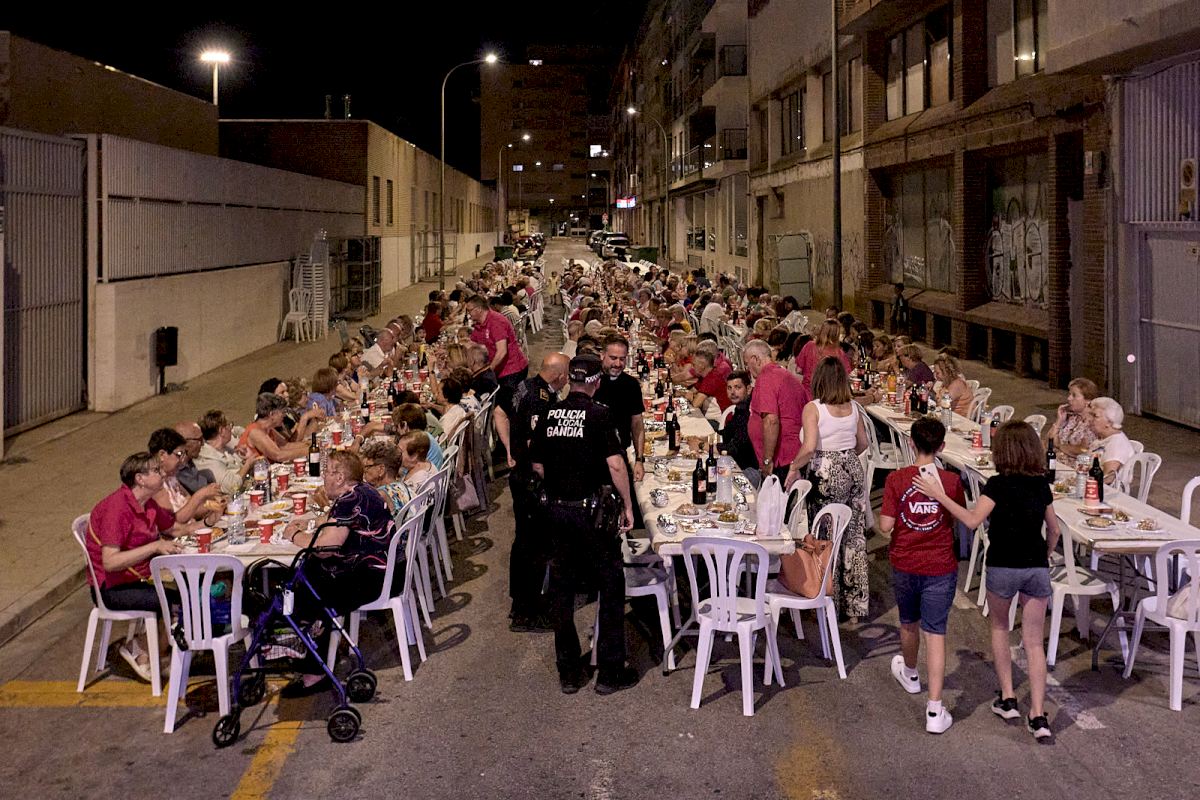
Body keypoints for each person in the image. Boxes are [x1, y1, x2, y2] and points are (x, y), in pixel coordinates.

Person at [915, 421, 1059, 741]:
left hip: (1003, 566)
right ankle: (1038, 715)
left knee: (1000, 628)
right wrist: (1045, 554)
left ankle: (1007, 698)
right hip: (1036, 567)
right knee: (1034, 643)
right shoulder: (1041, 485)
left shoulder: (997, 485)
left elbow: (971, 520)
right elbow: (1055, 530)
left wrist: (938, 495)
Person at [530, 354, 638, 695]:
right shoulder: (600, 414)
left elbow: (537, 465)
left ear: (570, 380)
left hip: (557, 512)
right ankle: (609, 671)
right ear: (596, 382)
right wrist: (627, 505)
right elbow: (616, 465)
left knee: (562, 591)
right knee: (611, 584)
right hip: (592, 513)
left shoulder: (549, 413)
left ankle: (569, 671)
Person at [279, 450, 398, 697]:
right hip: (385, 571)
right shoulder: (364, 491)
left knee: (305, 590)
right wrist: (320, 522)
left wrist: (293, 534)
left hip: (370, 579)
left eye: (327, 471)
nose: (324, 476)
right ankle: (311, 655)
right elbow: (337, 525)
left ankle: (312, 670)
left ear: (340, 477)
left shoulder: (349, 500)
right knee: (308, 573)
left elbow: (326, 548)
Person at [879, 416, 964, 734]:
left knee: (908, 623)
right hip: (940, 565)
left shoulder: (896, 479)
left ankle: (911, 673)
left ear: (911, 443)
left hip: (905, 562)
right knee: (936, 633)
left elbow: (886, 525)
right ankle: (934, 709)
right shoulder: (952, 482)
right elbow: (956, 518)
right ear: (942, 447)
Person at [87, 452, 194, 682]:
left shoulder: (147, 503)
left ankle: (155, 652)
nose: (162, 473)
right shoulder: (117, 508)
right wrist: (154, 546)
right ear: (140, 479)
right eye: (156, 470)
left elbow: (175, 529)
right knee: (178, 602)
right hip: (112, 588)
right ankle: (140, 648)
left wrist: (211, 524)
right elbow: (110, 562)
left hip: (136, 578)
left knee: (187, 594)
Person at [784, 357, 869, 620]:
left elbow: (809, 446)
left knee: (824, 534)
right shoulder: (853, 407)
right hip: (852, 467)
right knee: (852, 535)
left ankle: (824, 593)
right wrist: (846, 458)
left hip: (825, 470)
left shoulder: (814, 408)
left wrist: (793, 467)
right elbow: (863, 443)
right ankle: (853, 604)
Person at [509, 353, 570, 631]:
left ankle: (523, 604)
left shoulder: (526, 387)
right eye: (566, 375)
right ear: (559, 375)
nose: (567, 381)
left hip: (521, 476)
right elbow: (537, 446)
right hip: (531, 481)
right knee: (533, 546)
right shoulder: (540, 400)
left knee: (525, 543)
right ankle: (528, 611)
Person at [744, 339, 808, 483]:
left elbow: (771, 421)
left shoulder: (766, 378)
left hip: (782, 459)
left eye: (747, 363)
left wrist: (767, 460)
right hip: (793, 455)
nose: (748, 369)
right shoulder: (784, 374)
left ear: (755, 359)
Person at [592, 335, 647, 483]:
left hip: (621, 453)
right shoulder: (590, 382)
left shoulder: (631, 385)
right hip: (592, 456)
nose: (618, 364)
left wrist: (639, 460)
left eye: (622, 359)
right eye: (613, 358)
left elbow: (637, 423)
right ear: (602, 355)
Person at [146, 428, 223, 524]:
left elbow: (193, 511)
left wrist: (218, 504)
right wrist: (200, 495)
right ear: (162, 455)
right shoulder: (154, 484)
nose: (182, 460)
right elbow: (170, 523)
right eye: (179, 454)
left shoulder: (171, 477)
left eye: (183, 454)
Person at [467, 294, 529, 393]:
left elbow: (502, 351)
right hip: (499, 370)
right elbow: (472, 344)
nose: (468, 314)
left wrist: (489, 371)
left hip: (511, 369)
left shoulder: (496, 321)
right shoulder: (479, 324)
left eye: (469, 310)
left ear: (478, 309)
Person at [240, 393, 312, 463]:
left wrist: (312, 443)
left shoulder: (268, 428)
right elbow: (278, 455)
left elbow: (286, 446)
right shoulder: (255, 432)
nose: (284, 415)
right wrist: (311, 450)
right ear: (271, 414)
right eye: (283, 412)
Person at [195, 410, 253, 494]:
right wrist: (248, 464)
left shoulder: (226, 449)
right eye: (229, 425)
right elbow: (232, 486)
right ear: (221, 430)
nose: (231, 428)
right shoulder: (208, 459)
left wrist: (245, 459)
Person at [1043, 377, 1099, 458]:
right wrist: (1058, 421)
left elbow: (1083, 450)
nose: (1069, 398)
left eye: (1074, 395)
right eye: (1069, 394)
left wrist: (1058, 445)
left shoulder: (1093, 423)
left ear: (1088, 401)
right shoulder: (1071, 417)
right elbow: (1048, 443)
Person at [1087, 397, 1135, 485]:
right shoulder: (1102, 438)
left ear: (1109, 422)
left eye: (1095, 416)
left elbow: (1108, 478)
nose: (1090, 419)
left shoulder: (1116, 443)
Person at [720, 370, 758, 478]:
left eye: (737, 387)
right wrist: (706, 439)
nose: (732, 392)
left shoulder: (750, 410)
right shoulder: (740, 407)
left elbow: (735, 448)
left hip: (752, 469)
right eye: (729, 388)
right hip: (739, 462)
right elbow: (728, 432)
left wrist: (705, 446)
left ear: (749, 389)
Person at [796, 320, 852, 391]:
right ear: (837, 334)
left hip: (808, 391)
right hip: (829, 393)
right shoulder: (840, 353)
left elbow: (798, 370)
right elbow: (846, 376)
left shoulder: (809, 346)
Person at [360, 440, 412, 516]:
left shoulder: (380, 497)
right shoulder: (403, 487)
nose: (364, 471)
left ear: (381, 470)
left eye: (367, 466)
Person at [172, 421, 214, 494]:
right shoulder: (176, 469)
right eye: (199, 440)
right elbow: (199, 489)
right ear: (184, 442)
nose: (203, 444)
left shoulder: (188, 461)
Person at [688, 347, 732, 412]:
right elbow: (691, 391)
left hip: (722, 416)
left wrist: (691, 397)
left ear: (702, 365)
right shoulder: (704, 376)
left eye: (694, 364)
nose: (692, 367)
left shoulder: (713, 377)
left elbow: (696, 404)